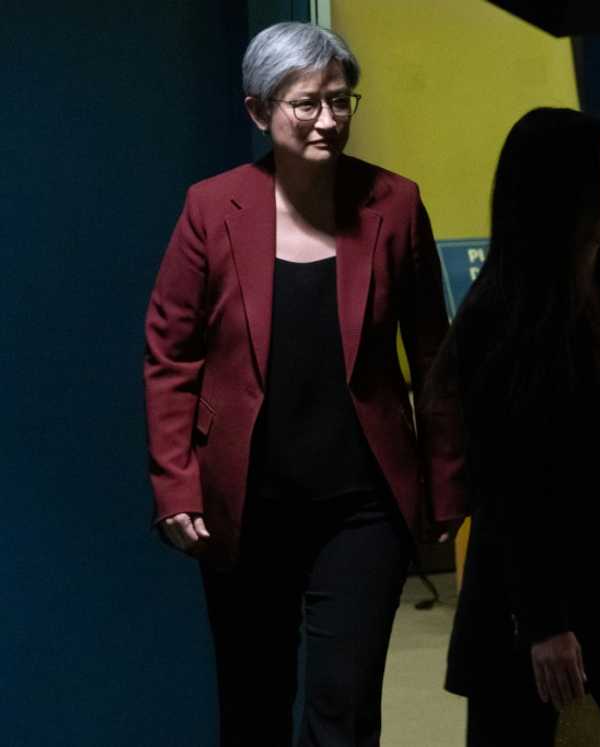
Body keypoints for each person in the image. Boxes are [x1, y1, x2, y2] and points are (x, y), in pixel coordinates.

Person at [143, 22, 464, 746]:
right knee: (254, 705)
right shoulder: (210, 207)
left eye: (340, 100)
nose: (328, 119)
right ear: (260, 110)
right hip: (245, 501)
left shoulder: (396, 203)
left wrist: (445, 477)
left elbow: (433, 351)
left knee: (344, 710)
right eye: (307, 104)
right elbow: (170, 351)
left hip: (363, 507)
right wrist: (175, 481)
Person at [429, 107, 600, 746]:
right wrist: (543, 624)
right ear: (556, 193)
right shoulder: (503, 320)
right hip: (533, 600)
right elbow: (509, 491)